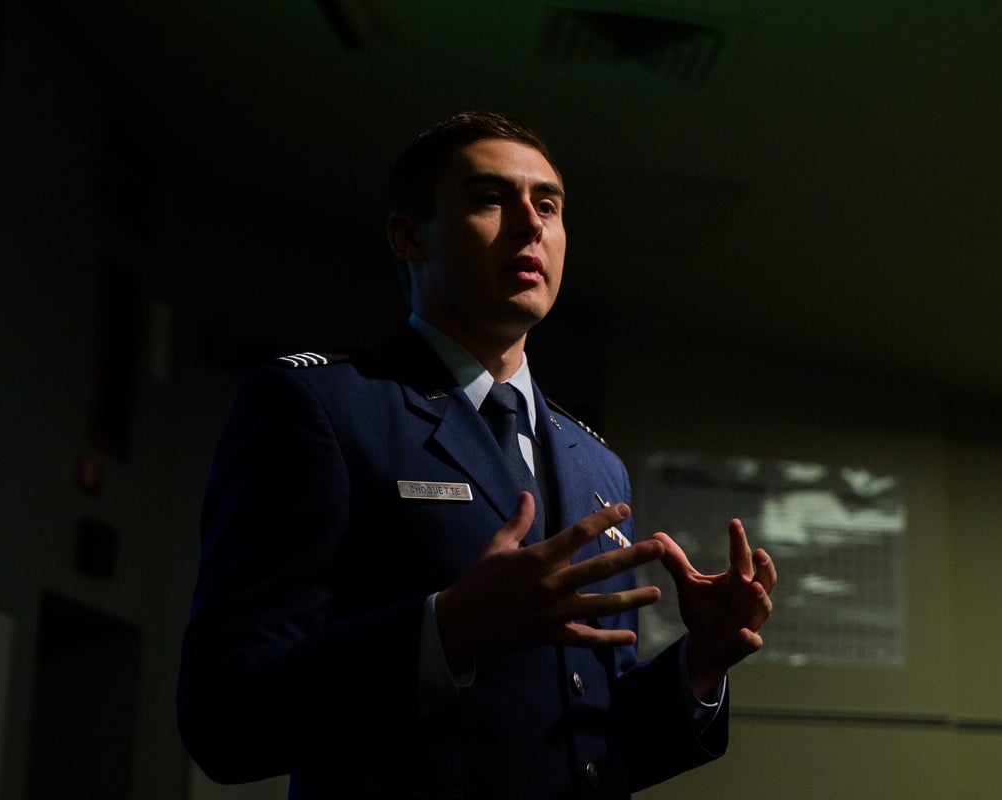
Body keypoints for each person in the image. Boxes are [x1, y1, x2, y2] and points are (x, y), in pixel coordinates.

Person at [177, 111, 776, 799]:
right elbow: (224, 716)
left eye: (548, 205)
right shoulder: (322, 407)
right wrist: (448, 629)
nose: (531, 225)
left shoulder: (595, 465)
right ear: (409, 237)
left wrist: (699, 665)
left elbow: (586, 745)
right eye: (491, 199)